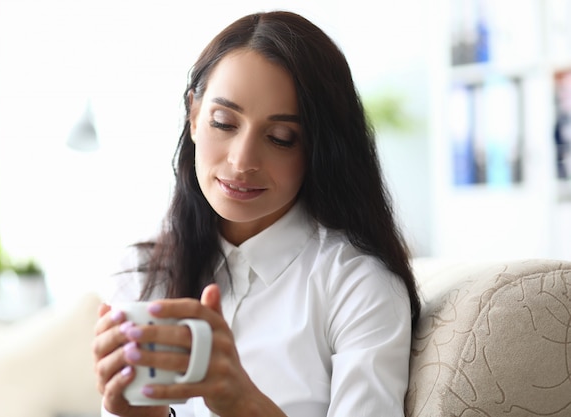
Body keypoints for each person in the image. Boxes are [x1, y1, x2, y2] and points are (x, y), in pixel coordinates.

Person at [93, 10, 420, 417]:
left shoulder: (356, 286)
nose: (243, 160)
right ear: (193, 116)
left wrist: (242, 403)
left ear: (319, 150)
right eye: (224, 122)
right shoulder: (142, 273)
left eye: (281, 138)